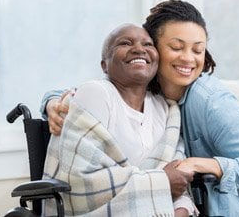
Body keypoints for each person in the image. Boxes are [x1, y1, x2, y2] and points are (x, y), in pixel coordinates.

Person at [42, 0, 239, 216]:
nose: (188, 59)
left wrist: (199, 164)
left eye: (197, 50)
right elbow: (84, 92)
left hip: (234, 207)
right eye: (176, 47)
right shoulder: (145, 88)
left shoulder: (211, 101)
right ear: (154, 48)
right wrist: (52, 103)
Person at [42, 23, 196, 216]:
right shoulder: (96, 93)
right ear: (104, 65)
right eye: (125, 43)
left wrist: (180, 209)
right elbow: (79, 182)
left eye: (148, 45)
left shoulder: (166, 108)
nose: (139, 49)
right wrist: (161, 181)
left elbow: (179, 182)